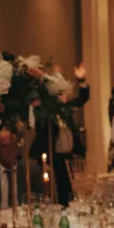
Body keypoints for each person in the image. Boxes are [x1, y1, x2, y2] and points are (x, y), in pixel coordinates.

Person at [30, 63, 90, 205]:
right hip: (53, 157)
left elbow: (82, 99)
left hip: (67, 157)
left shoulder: (65, 110)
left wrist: (81, 81)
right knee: (59, 191)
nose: (64, 96)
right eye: (60, 93)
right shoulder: (46, 111)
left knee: (69, 190)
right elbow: (40, 124)